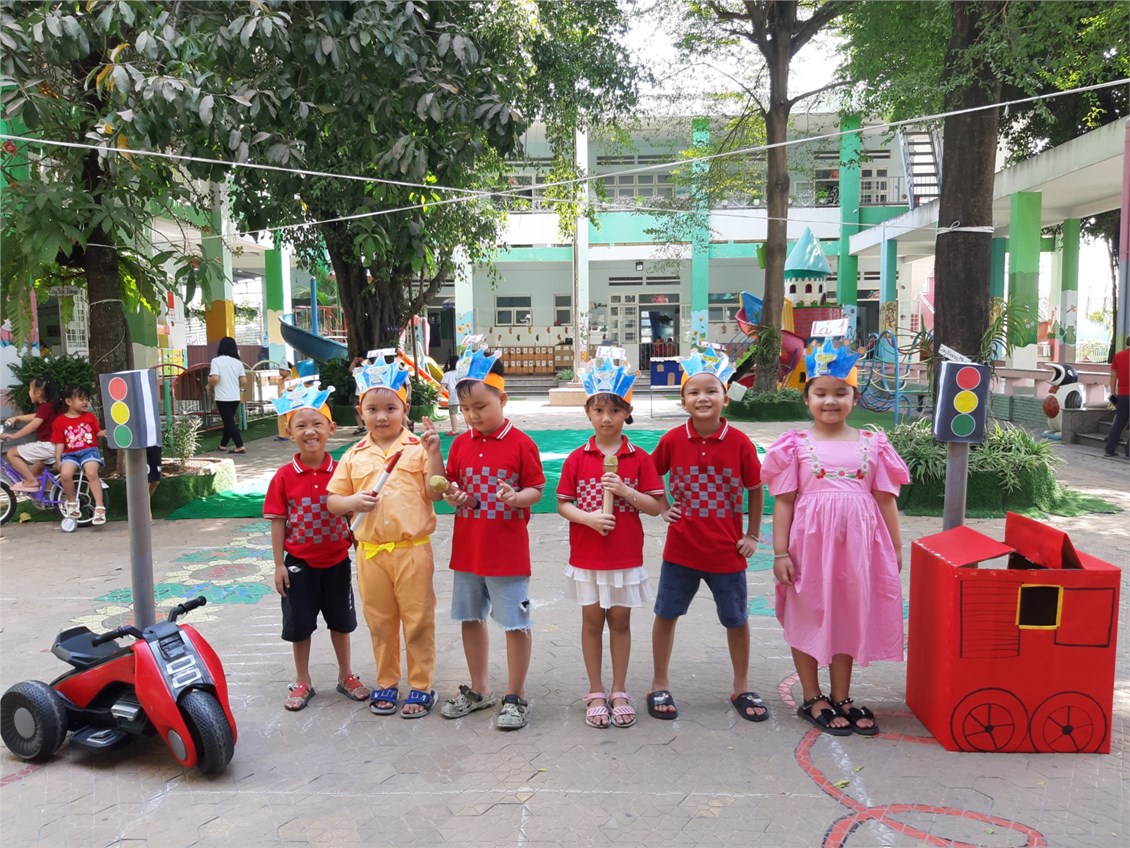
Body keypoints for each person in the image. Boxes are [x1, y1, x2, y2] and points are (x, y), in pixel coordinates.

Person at [761, 339, 909, 737]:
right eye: (821, 393)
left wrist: (895, 548)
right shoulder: (795, 445)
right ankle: (813, 697)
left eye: (840, 393)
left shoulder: (873, 444)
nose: (830, 401)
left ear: (854, 397)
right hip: (808, 549)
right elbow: (784, 502)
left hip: (859, 550)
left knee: (847, 614)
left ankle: (841, 696)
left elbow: (886, 500)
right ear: (806, 398)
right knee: (807, 613)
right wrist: (779, 553)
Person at [647, 348, 767, 723]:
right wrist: (664, 506)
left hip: (727, 553)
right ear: (683, 400)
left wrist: (752, 535)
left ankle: (742, 685)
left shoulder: (740, 442)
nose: (703, 397)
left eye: (711, 391)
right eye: (694, 392)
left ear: (725, 398)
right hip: (680, 551)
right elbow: (650, 473)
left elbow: (756, 489)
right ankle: (659, 682)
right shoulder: (672, 440)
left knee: (736, 619)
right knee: (666, 614)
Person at [327, 360, 446, 718]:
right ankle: (387, 681)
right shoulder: (352, 456)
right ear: (360, 411)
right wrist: (353, 501)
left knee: (418, 619)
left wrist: (435, 453)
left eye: (391, 408)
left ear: (405, 408)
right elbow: (333, 502)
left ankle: (421, 685)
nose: (382, 417)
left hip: (412, 551)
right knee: (380, 622)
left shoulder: (418, 448)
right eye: (373, 409)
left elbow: (435, 493)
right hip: (371, 553)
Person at [556, 353, 665, 729]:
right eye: (599, 410)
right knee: (591, 622)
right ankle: (596, 689)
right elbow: (563, 504)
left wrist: (625, 491)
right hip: (587, 556)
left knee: (620, 622)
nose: (606, 418)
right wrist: (587, 518)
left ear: (627, 413)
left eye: (615, 411)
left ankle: (619, 689)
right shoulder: (576, 458)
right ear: (588, 412)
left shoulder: (639, 458)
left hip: (624, 556)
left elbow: (655, 507)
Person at [439, 348, 545, 730]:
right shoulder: (461, 444)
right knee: (470, 618)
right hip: (468, 552)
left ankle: (515, 695)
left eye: (481, 406)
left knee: (515, 623)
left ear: (503, 398)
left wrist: (517, 498)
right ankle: (480, 689)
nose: (473, 415)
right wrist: (454, 496)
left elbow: (537, 490)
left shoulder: (522, 444)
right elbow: (451, 487)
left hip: (507, 554)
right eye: (466, 408)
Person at [264, 381, 370, 711]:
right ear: (289, 432)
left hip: (337, 562)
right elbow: (278, 521)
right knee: (299, 626)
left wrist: (361, 552)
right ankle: (302, 680)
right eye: (300, 426)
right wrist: (279, 565)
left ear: (331, 428)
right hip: (299, 565)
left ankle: (346, 675)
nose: (310, 432)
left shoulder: (342, 472)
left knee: (341, 622)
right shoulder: (283, 477)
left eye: (317, 424)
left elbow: (353, 517)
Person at [51, 384, 107, 526]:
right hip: (70, 454)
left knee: (91, 472)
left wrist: (108, 432)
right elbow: (59, 442)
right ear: (69, 401)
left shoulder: (89, 417)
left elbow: (98, 433)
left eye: (86, 399)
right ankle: (72, 503)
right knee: (65, 474)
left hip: (89, 451)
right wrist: (58, 460)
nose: (85, 402)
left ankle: (99, 507)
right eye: (81, 399)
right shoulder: (59, 421)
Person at [1, 376, 59, 492]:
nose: (28, 392)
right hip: (55, 446)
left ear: (38, 393)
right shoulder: (50, 406)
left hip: (49, 445)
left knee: (12, 453)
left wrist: (14, 436)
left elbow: (34, 424)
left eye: (30, 389)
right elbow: (36, 416)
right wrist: (17, 418)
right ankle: (49, 493)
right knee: (36, 469)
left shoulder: (44, 407)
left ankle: (31, 482)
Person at [208, 336, 247, 454]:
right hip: (235, 396)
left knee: (229, 422)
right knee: (228, 421)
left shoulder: (216, 361)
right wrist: (233, 384)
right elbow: (244, 381)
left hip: (222, 397)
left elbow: (215, 378)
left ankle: (239, 445)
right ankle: (223, 445)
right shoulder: (238, 363)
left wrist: (209, 385)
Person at [1103, 337, 1129, 459]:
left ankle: (1109, 449)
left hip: (1123, 396)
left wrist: (1113, 391)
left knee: (1119, 423)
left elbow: (1113, 376)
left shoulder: (1119, 356)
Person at [440, 355, 461, 436]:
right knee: (466, 412)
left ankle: (454, 430)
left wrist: (438, 394)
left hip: (453, 397)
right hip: (463, 396)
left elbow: (443, 385)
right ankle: (470, 429)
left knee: (453, 414)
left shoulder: (448, 374)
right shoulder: (461, 373)